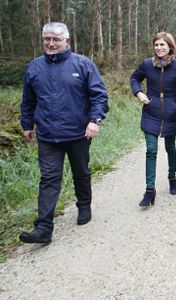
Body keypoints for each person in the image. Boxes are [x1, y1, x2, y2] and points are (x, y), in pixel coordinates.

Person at [19, 22, 109, 243]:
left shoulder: (83, 64)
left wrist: (94, 121)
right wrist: (27, 125)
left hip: (79, 133)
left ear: (66, 41)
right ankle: (43, 228)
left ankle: (84, 206)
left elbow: (99, 95)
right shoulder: (34, 67)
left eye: (56, 39)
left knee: (81, 172)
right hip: (48, 135)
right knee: (49, 178)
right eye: (47, 39)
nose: (50, 43)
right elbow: (28, 101)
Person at [130, 32, 176, 207]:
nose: (159, 48)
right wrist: (139, 93)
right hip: (151, 111)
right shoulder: (147, 64)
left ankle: (172, 177)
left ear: (170, 47)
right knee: (151, 150)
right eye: (156, 45)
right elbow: (134, 78)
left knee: (170, 147)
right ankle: (149, 191)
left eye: (162, 45)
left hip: (171, 112)